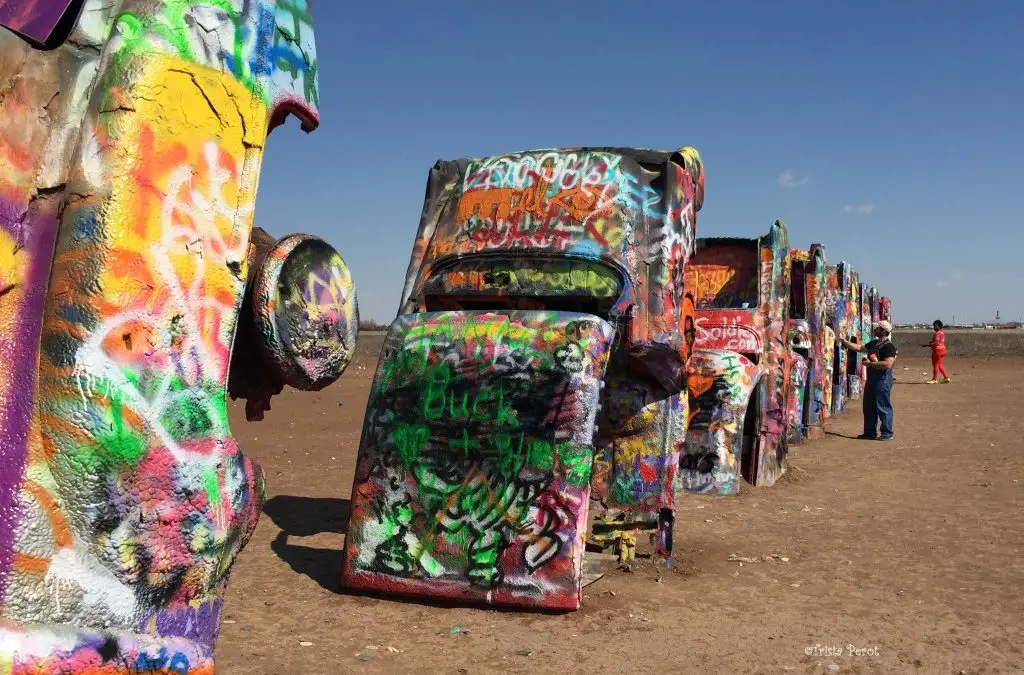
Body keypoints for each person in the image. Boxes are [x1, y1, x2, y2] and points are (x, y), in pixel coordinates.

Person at [839, 320, 898, 441]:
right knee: (869, 406)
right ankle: (870, 432)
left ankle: (887, 433)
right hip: (872, 380)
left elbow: (888, 364)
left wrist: (869, 365)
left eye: (877, 328)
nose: (874, 329)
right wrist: (844, 341)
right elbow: (860, 348)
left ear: (883, 331)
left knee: (883, 406)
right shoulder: (874, 343)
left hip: (882, 380)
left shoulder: (889, 347)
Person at [923, 320, 950, 384]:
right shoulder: (942, 333)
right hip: (943, 350)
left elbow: (936, 342)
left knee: (935, 365)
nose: (934, 327)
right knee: (939, 365)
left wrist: (927, 345)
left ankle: (934, 379)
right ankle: (946, 378)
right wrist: (931, 343)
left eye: (935, 326)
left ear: (939, 326)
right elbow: (938, 342)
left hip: (937, 351)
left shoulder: (937, 333)